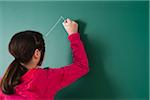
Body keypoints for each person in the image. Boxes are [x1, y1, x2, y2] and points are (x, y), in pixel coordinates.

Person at [0, 18, 89, 100]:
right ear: (37, 53)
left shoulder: (3, 82)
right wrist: (73, 36)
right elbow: (81, 66)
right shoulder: (46, 78)